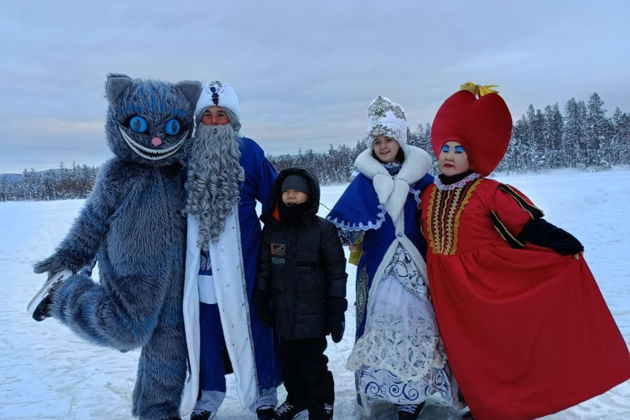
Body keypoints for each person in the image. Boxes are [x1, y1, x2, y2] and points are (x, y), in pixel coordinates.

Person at [420, 83, 630, 420]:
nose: (449, 155)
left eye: (459, 150)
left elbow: (527, 225)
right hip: (447, 286)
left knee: (497, 345)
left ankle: (506, 405)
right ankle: (477, 402)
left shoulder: (489, 191)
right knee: (464, 350)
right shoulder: (429, 194)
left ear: (472, 157)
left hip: (485, 283)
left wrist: (564, 244)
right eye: (445, 148)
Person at [28, 75, 202, 420]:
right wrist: (70, 258)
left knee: (169, 350)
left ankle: (158, 411)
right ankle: (65, 295)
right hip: (131, 274)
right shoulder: (118, 175)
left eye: (171, 127)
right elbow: (92, 220)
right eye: (139, 125)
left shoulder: (183, 173)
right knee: (125, 331)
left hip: (179, 281)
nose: (156, 138)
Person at [327, 97, 453, 420]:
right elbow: (341, 228)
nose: (383, 146)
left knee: (419, 325)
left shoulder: (422, 180)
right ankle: (385, 387)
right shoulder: (365, 181)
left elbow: (440, 215)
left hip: (416, 269)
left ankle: (414, 393)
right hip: (379, 269)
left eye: (389, 139)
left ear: (401, 140)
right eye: (377, 141)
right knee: (380, 325)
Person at [181, 81, 282, 420]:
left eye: (220, 115)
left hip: (246, 260)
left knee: (254, 325)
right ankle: (208, 392)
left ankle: (263, 392)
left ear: (233, 120)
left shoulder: (249, 152)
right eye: (207, 115)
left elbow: (275, 198)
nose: (213, 121)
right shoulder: (187, 155)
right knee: (205, 325)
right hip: (200, 263)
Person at [255, 168, 348, 420]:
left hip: (314, 312)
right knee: (289, 361)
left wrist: (337, 307)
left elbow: (337, 272)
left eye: (297, 192)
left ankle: (322, 403)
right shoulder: (273, 229)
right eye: (286, 192)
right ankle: (296, 399)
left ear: (310, 195)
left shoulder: (323, 229)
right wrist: (261, 298)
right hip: (284, 312)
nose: (291, 196)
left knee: (313, 362)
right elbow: (265, 268)